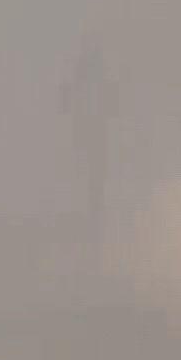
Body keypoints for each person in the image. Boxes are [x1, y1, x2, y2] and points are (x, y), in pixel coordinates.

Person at [58, 38, 116, 233]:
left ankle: (93, 217)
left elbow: (68, 102)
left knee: (93, 176)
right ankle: (92, 217)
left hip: (93, 133)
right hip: (90, 133)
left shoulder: (88, 78)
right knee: (91, 175)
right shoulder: (88, 78)